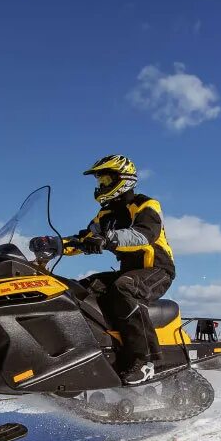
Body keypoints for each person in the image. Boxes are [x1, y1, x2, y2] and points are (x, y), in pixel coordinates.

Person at [66, 154, 176, 385]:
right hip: (127, 271)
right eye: (100, 182)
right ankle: (94, 351)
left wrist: (107, 239)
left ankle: (146, 361)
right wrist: (55, 245)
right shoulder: (105, 215)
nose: (101, 186)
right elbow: (85, 238)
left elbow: (144, 234)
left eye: (105, 180)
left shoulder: (146, 205)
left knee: (124, 288)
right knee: (80, 289)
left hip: (156, 269)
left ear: (123, 179)